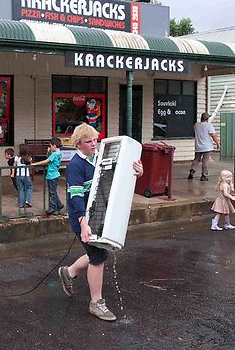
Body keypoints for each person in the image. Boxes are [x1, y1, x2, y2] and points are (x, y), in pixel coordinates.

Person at [57, 123, 143, 322]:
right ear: (78, 144)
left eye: (95, 140)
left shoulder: (100, 157)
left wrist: (138, 173)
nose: (93, 144)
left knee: (96, 251)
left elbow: (119, 177)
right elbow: (75, 198)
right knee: (98, 256)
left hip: (101, 214)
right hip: (83, 219)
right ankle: (96, 303)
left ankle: (68, 273)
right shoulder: (75, 166)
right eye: (88, 142)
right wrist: (83, 224)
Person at [32, 137, 64, 215]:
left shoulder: (54, 154)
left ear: (54, 146)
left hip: (52, 175)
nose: (50, 147)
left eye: (50, 146)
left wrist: (35, 164)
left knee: (52, 192)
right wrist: (49, 152)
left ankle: (53, 207)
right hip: (55, 174)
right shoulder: (59, 153)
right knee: (53, 191)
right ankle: (59, 205)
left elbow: (47, 161)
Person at [189, 112, 220, 181]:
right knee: (205, 161)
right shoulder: (209, 125)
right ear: (207, 118)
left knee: (196, 159)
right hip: (207, 146)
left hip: (198, 146)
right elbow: (213, 135)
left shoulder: (196, 125)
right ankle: (203, 175)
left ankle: (192, 171)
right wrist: (217, 143)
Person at [14, 144, 33, 209]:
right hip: (26, 175)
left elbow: (14, 166)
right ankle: (28, 201)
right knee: (29, 187)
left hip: (18, 175)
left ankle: (21, 204)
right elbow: (30, 166)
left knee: (20, 189)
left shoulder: (17, 158)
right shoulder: (29, 158)